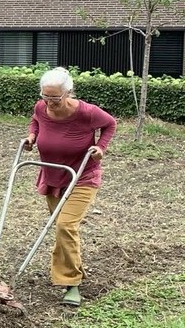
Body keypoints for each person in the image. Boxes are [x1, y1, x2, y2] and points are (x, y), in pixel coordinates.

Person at [24, 67, 116, 308]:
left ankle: (72, 283)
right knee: (60, 227)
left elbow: (110, 124)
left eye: (55, 98)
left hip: (82, 176)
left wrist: (100, 148)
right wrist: (32, 137)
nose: (49, 103)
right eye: (46, 96)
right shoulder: (41, 107)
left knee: (66, 225)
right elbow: (36, 121)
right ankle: (65, 273)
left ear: (68, 93)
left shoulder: (86, 112)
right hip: (53, 175)